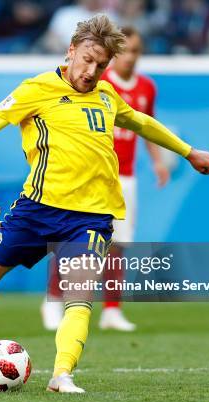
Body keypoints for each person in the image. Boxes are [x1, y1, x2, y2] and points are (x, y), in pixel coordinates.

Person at [0, 14, 209, 393]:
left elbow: (141, 122)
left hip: (90, 216)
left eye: (101, 65)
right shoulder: (35, 90)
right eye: (87, 59)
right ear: (71, 50)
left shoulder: (107, 96)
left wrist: (188, 152)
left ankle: (62, 375)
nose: (92, 71)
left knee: (79, 295)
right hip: (35, 212)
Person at [41, 26, 168, 332]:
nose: (130, 57)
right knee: (73, 242)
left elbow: (145, 125)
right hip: (90, 175)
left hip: (125, 177)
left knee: (118, 245)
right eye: (124, 51)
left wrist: (157, 160)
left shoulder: (146, 88)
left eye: (136, 51)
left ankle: (112, 309)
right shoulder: (98, 82)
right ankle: (54, 300)